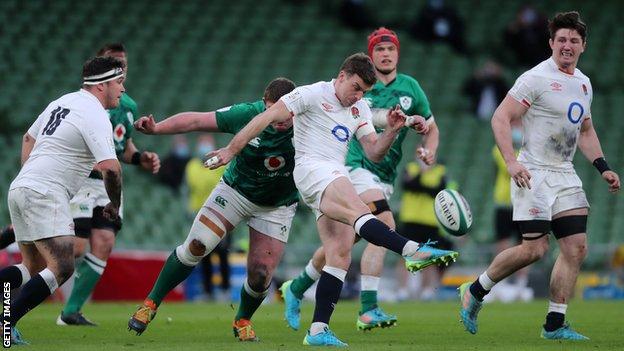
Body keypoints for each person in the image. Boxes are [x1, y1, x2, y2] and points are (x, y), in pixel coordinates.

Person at [207, 53, 458, 347]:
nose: (358, 96)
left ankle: (317, 329)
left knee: (339, 253)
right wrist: (230, 150)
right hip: (312, 169)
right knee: (363, 213)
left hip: (333, 174)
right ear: (341, 76)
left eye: (364, 91)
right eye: (355, 87)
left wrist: (390, 130)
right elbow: (264, 117)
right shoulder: (311, 94)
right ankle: (411, 250)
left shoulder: (360, 107)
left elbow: (374, 152)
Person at [278, 28, 453, 333]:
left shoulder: (411, 87)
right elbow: (372, 119)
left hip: (385, 173)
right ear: (370, 55)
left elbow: (432, 128)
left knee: (344, 243)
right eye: (380, 49)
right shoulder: (361, 89)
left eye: (391, 49)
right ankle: (369, 306)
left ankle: (298, 286)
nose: (386, 54)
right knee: (384, 221)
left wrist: (429, 148)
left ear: (398, 54)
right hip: (353, 166)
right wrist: (403, 121)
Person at [459, 11, 620, 340]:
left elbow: (585, 131)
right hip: (533, 172)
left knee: (576, 247)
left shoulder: (584, 84)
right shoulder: (535, 78)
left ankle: (555, 324)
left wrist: (603, 167)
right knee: (534, 250)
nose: (567, 45)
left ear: (583, 46)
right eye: (561, 39)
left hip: (565, 173)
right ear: (551, 43)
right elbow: (500, 118)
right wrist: (511, 162)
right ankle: (475, 290)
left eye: (574, 40)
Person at [127, 78, 298, 342]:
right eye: (270, 110)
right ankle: (150, 304)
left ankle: (242, 319)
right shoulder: (247, 114)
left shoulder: (311, 124)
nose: (277, 119)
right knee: (197, 244)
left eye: (283, 114)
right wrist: (157, 128)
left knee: (261, 274)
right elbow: (197, 120)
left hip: (277, 206)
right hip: (235, 192)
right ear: (264, 104)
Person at [1, 56, 125, 345]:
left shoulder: (62, 101)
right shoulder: (95, 115)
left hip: (22, 186)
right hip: (46, 191)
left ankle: (6, 321)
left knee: (30, 268)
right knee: (63, 267)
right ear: (101, 85)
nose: (122, 88)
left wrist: (31, 177)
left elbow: (27, 138)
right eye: (119, 82)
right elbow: (111, 167)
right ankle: (4, 322)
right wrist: (114, 206)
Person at [57, 43, 161, 327]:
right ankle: (19, 270)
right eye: (115, 62)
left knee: (104, 242)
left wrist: (141, 157)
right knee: (75, 249)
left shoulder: (127, 106)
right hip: (80, 180)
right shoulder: (87, 104)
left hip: (106, 183)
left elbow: (122, 147)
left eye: (123, 63)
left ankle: (70, 312)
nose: (121, 67)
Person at [395, 156, 454, 301]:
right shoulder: (410, 168)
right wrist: (422, 173)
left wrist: (420, 182)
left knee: (429, 257)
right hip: (410, 219)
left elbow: (438, 191)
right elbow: (408, 186)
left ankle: (426, 290)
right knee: (404, 256)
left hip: (430, 221)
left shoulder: (441, 171)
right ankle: (403, 289)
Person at [185, 135, 230, 301]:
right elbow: (196, 185)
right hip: (200, 213)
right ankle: (208, 291)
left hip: (222, 213)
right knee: (203, 253)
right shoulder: (192, 166)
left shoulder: (221, 162)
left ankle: (225, 289)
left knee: (222, 253)